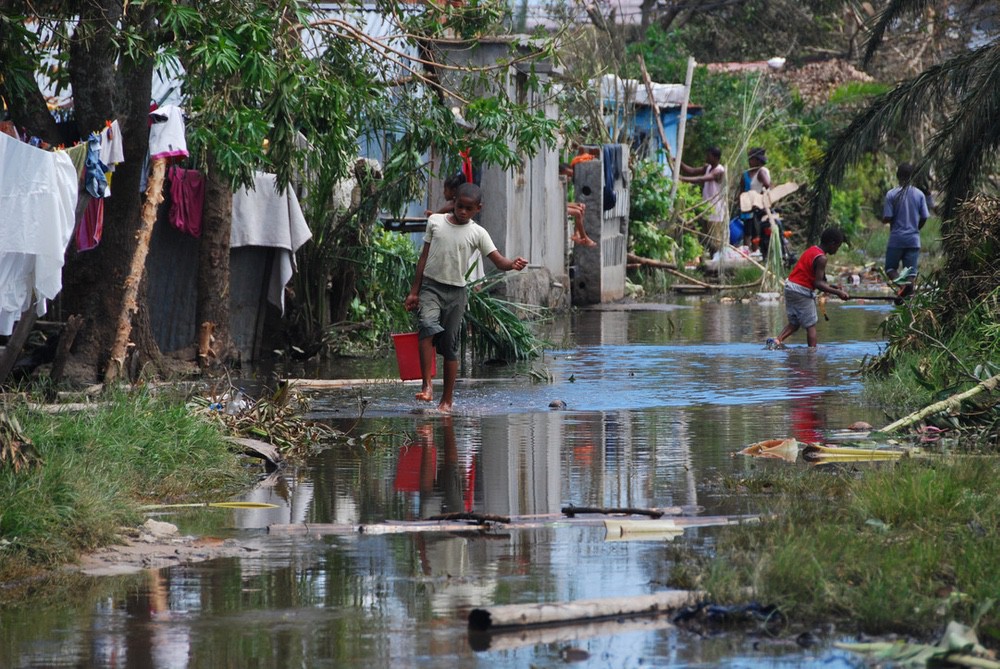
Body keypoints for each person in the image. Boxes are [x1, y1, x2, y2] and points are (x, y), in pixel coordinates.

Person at [405, 182, 528, 413]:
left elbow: (498, 260)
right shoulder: (436, 222)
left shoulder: (478, 233)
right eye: (459, 206)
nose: (462, 212)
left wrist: (513, 264)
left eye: (468, 209)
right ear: (453, 204)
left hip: (457, 293)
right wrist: (414, 291)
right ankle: (427, 386)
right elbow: (423, 257)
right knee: (426, 326)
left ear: (477, 209)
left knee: (450, 346)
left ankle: (447, 401)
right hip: (431, 287)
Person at [768, 227, 850, 348]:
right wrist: (838, 292)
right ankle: (812, 354)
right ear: (832, 244)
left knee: (794, 323)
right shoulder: (822, 258)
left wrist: (832, 287)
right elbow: (818, 283)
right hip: (801, 291)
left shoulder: (812, 250)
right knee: (811, 326)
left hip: (790, 287)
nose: (836, 250)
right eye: (837, 246)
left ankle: (777, 341)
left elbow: (815, 277)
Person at [882, 162, 929, 298]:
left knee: (890, 269)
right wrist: (916, 228)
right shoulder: (919, 194)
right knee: (911, 273)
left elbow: (888, 216)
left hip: (896, 239)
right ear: (913, 176)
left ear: (897, 176)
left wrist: (884, 220)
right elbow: (925, 216)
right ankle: (909, 299)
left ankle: (903, 286)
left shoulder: (891, 194)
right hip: (913, 239)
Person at [679, 147, 727, 255]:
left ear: (715, 158)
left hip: (716, 210)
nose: (706, 157)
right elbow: (692, 171)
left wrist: (682, 179)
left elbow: (701, 179)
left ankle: (717, 260)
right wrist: (679, 163)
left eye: (709, 155)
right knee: (707, 237)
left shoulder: (719, 171)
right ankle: (711, 259)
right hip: (707, 208)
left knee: (715, 238)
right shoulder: (708, 167)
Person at [740, 147, 771, 252]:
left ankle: (755, 251)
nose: (749, 162)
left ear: (757, 161)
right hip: (747, 206)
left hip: (757, 207)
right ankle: (746, 252)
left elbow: (767, 185)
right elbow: (742, 190)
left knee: (755, 232)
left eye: (751, 159)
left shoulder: (761, 172)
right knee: (747, 231)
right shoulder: (746, 174)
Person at [559, 162, 597, 247]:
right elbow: (561, 204)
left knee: (581, 208)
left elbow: (564, 203)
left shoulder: (564, 185)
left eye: (570, 176)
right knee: (578, 212)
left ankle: (576, 234)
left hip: (561, 206)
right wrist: (575, 206)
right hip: (557, 208)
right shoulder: (558, 184)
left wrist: (577, 205)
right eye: (568, 175)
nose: (569, 178)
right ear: (560, 173)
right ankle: (584, 238)